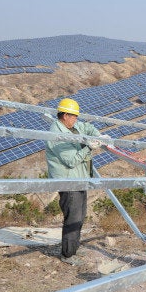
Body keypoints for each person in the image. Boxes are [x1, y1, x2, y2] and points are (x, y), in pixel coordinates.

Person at [45, 98, 105, 266]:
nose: (76, 120)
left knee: (79, 215)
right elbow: (71, 160)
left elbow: (87, 127)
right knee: (73, 217)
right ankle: (68, 254)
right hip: (68, 182)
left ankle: (73, 248)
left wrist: (97, 135)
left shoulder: (72, 127)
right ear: (65, 116)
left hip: (79, 179)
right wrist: (89, 147)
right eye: (73, 116)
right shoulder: (56, 135)